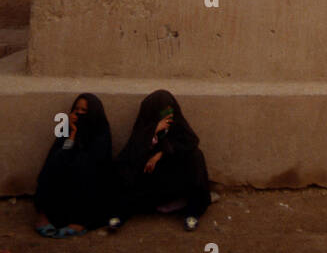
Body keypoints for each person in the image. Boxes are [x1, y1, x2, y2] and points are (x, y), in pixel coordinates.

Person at [109, 90, 211, 231]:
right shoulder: (145, 128)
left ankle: (192, 212)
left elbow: (190, 142)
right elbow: (132, 151)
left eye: (170, 110)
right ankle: (121, 215)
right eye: (163, 111)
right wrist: (153, 130)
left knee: (196, 156)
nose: (168, 114)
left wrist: (160, 154)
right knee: (125, 166)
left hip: (174, 178)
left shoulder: (177, 124)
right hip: (151, 181)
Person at [33, 92, 113, 237]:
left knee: (81, 172)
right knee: (52, 167)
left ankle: (79, 222)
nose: (79, 113)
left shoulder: (101, 132)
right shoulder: (68, 128)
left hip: (89, 181)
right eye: (77, 110)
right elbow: (58, 156)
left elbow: (94, 162)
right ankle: (44, 215)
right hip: (67, 175)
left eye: (84, 111)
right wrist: (72, 134)